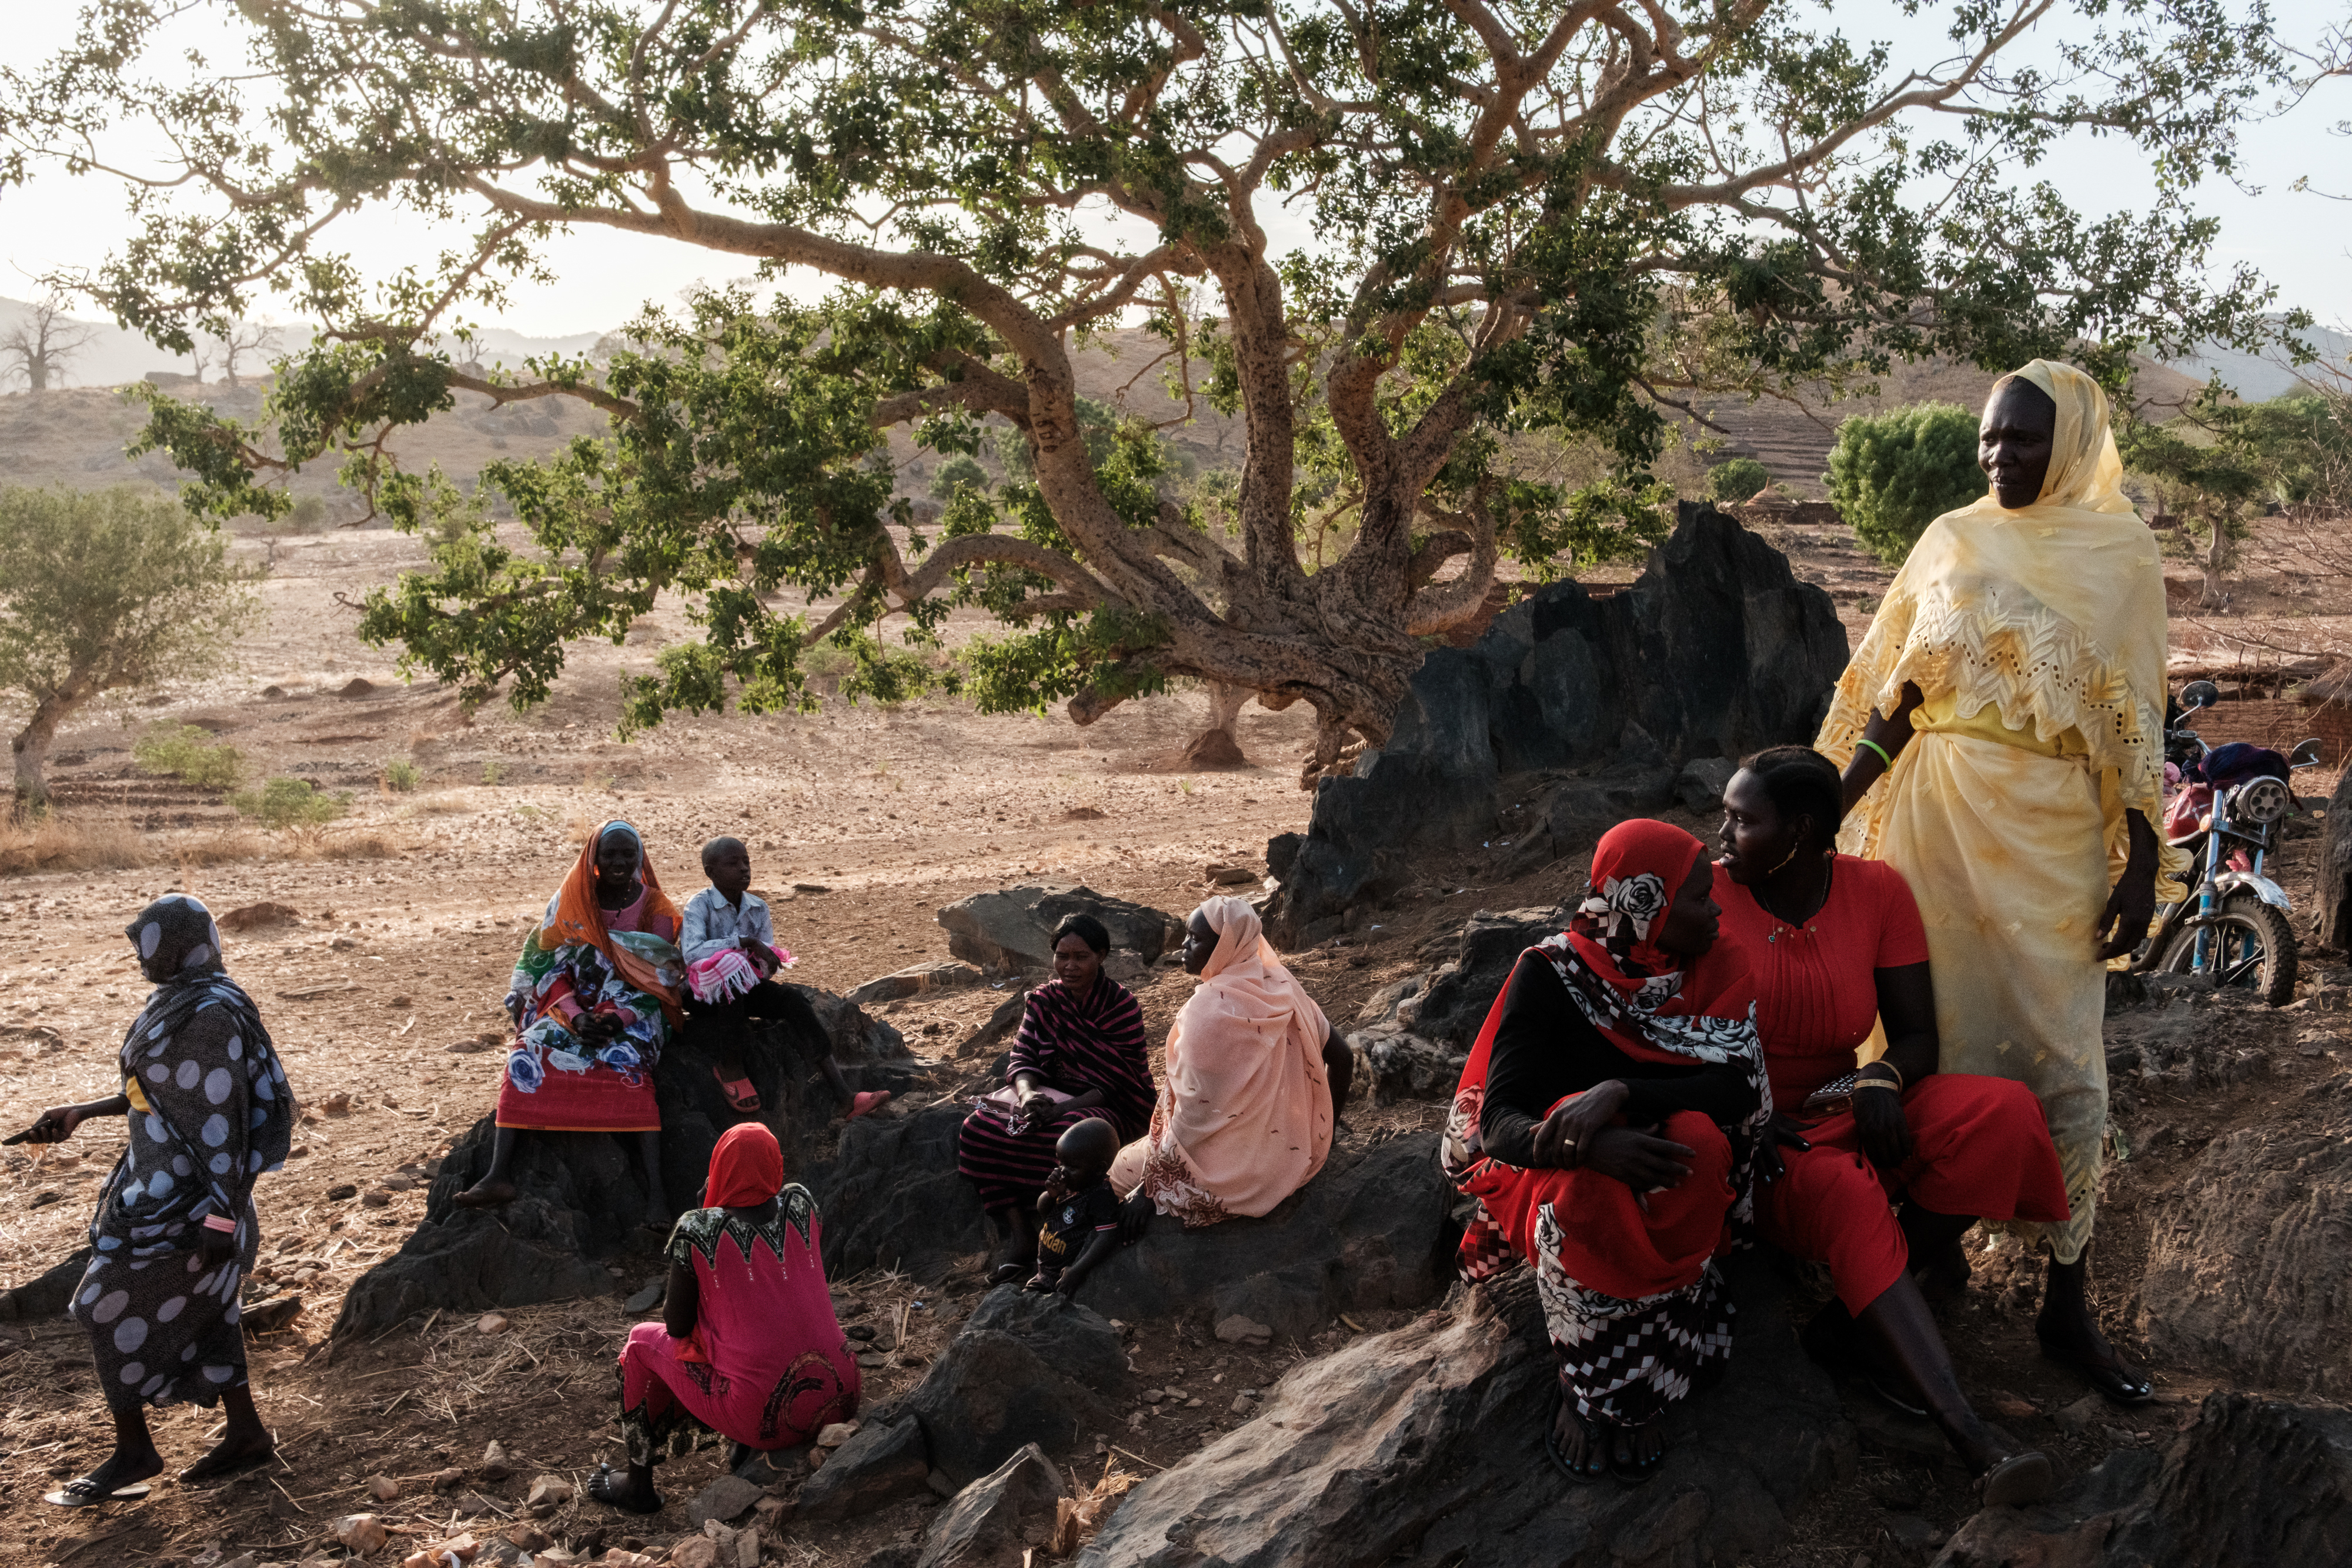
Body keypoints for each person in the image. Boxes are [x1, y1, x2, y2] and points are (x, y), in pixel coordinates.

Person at [1819, 360, 2183, 1406]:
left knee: (2069, 1068)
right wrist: (1828, 813)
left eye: (2023, 439)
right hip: (1933, 826)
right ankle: (1925, 1259)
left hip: (2056, 837)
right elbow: (1893, 700)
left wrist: (2144, 863)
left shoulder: (2122, 554)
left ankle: (2067, 1305)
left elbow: (2137, 720)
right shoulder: (1950, 539)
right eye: (1989, 438)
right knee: (1930, 1044)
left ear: (2068, 444)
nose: (2000, 456)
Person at [1716, 746, 2063, 1504]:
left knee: (2000, 1114)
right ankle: (1971, 1436)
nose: (1721, 835)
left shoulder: (1875, 891)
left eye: (1742, 820)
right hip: (1757, 1134)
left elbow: (1915, 1036)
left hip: (1847, 1100)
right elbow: (1661, 1029)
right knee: (1846, 1194)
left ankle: (1848, 1326)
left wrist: (1881, 1076)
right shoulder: (1706, 899)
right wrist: (1742, 1113)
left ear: (1801, 832)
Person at [1441, 820, 1767, 1484]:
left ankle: (1635, 1341)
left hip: (1654, 1152)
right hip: (1557, 1169)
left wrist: (1617, 1092)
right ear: (1643, 903)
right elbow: (1500, 1122)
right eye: (1699, 899)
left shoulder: (1719, 964)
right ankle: (1592, 1388)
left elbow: (1736, 1087)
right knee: (1585, 1189)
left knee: (1700, 1143)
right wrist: (1589, 1148)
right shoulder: (1552, 973)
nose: (1715, 912)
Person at [11, 895, 293, 1506]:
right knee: (214, 1314)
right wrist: (84, 1112)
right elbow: (163, 1094)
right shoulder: (180, 1000)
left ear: (176, 944)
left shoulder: (212, 1013)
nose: (139, 957)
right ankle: (246, 1434)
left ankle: (135, 1451)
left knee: (101, 1304)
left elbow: (226, 1123)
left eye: (148, 944)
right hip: (160, 1189)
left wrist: (221, 1213)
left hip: (197, 1202)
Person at [591, 1122, 858, 1513]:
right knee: (764, 1322)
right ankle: (742, 1450)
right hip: (842, 1392)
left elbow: (678, 1326)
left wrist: (704, 1210)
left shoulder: (699, 1229)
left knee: (640, 1344)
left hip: (766, 1416)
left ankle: (638, 1486)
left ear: (718, 1169)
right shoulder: (802, 1202)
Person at [456, 821, 684, 1228]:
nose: (618, 862)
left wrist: (618, 1018)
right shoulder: (573, 902)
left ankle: (656, 1195)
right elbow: (549, 967)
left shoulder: (657, 909)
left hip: (633, 1011)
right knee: (528, 1049)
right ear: (593, 859)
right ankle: (498, 1174)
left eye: (627, 854)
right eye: (609, 854)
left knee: (629, 1062)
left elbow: (660, 977)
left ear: (639, 857)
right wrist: (576, 1015)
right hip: (572, 1007)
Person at [1110, 895, 1348, 1229]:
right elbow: (1344, 1057)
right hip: (1288, 1158)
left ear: (1226, 946)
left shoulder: (1208, 1011)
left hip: (1232, 1174)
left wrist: (1150, 1185)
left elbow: (1193, 1114)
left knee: (1116, 1173)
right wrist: (1324, 1131)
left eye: (1196, 938)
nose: (1184, 944)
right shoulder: (1285, 989)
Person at [958, 913, 1155, 1283]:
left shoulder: (1122, 1006)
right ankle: (1021, 1234)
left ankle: (1064, 1224)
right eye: (1062, 956)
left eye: (1081, 957)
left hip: (1108, 1106)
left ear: (1101, 956)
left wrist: (1060, 1110)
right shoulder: (1045, 1001)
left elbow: (1116, 1083)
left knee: (1073, 1139)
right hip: (1045, 1098)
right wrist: (1029, 1095)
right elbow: (1023, 1058)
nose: (1070, 966)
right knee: (976, 1129)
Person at [680, 836, 889, 1120]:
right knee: (730, 971)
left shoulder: (757, 907)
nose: (744, 868)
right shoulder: (699, 906)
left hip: (744, 991)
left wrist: (762, 962)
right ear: (711, 872)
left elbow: (766, 960)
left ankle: (844, 1095)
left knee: (792, 1000)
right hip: (702, 994)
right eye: (733, 863)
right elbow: (691, 954)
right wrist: (745, 943)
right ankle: (730, 1065)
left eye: (746, 862)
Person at [1025, 1118, 1123, 1298]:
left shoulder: (1100, 1196)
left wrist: (1077, 1271)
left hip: (1063, 1279)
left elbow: (1107, 1235)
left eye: (1072, 1167)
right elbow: (1044, 1212)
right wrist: (1051, 1195)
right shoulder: (1070, 1185)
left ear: (1098, 1169)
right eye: (1060, 1163)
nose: (1062, 1171)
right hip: (1043, 1273)